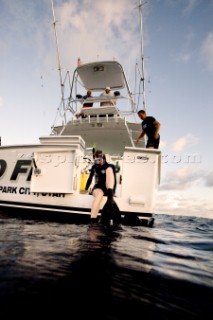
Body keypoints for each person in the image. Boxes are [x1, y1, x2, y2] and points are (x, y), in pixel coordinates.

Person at [85, 150, 117, 223]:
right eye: (96, 159)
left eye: (99, 159)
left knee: (109, 171)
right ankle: (93, 219)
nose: (98, 161)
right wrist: (86, 189)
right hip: (98, 188)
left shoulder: (110, 167)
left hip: (108, 188)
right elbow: (90, 178)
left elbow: (113, 180)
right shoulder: (94, 167)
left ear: (103, 158)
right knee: (100, 194)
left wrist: (113, 192)